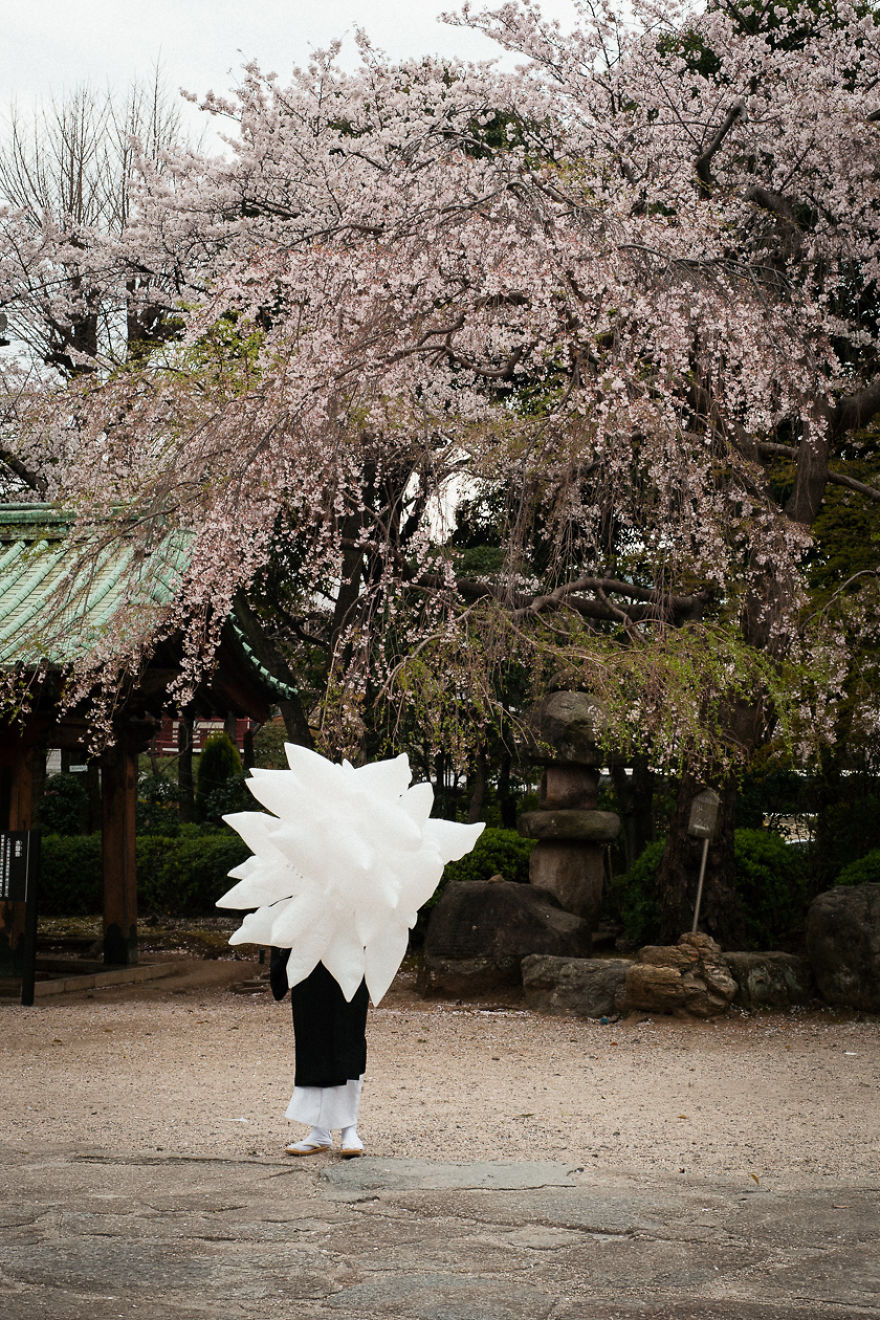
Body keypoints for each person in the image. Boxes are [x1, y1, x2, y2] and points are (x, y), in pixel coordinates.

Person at [269, 949, 368, 1158]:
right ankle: (319, 1131)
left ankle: (349, 1128)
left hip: (350, 950)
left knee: (348, 1037)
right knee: (312, 1038)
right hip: (311, 954)